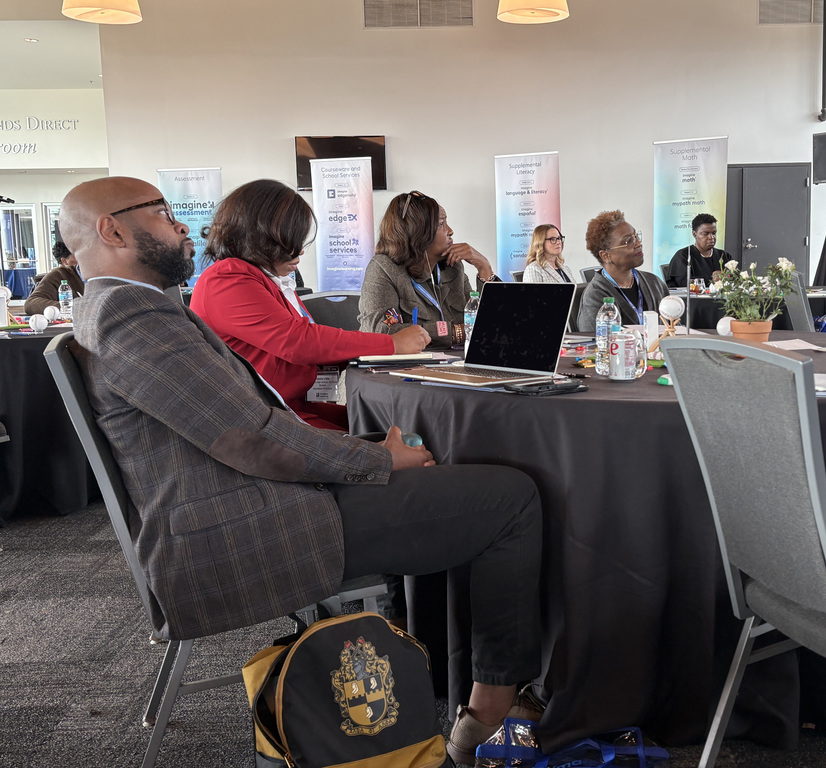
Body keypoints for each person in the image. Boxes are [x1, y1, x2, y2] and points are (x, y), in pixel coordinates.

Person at [59, 177, 542, 763]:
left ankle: (433, 668)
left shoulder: (123, 308)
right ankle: (489, 713)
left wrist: (369, 450)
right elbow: (249, 437)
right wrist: (377, 457)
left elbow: (246, 423)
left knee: (443, 472)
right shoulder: (131, 313)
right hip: (250, 523)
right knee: (510, 499)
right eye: (162, 213)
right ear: (111, 228)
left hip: (243, 497)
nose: (184, 224)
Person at [190, 180, 429, 431]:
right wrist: (391, 344)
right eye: (293, 241)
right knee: (388, 442)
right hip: (263, 417)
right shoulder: (227, 278)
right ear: (263, 236)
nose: (300, 253)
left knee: (389, 424)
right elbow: (297, 341)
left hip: (286, 405)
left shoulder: (256, 278)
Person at [359, 191, 500, 347]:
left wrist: (484, 268)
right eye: (441, 224)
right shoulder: (383, 269)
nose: (450, 230)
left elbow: (493, 324)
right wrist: (453, 333)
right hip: (409, 369)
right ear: (419, 231)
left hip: (456, 364)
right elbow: (378, 332)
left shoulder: (453, 267)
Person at [576, 210, 669, 332]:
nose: (638, 243)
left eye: (636, 236)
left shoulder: (654, 283)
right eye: (629, 241)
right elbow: (595, 345)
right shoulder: (594, 296)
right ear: (606, 256)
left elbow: (674, 329)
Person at [664, 212, 734, 288]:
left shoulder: (724, 256)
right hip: (694, 299)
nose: (711, 237)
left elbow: (735, 280)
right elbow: (683, 283)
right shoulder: (684, 255)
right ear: (694, 234)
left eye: (714, 233)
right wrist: (713, 279)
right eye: (706, 233)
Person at [24, 240, 85, 315]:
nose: (84, 258)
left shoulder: (100, 272)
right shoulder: (59, 275)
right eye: (77, 255)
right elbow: (30, 304)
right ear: (64, 261)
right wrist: (70, 308)